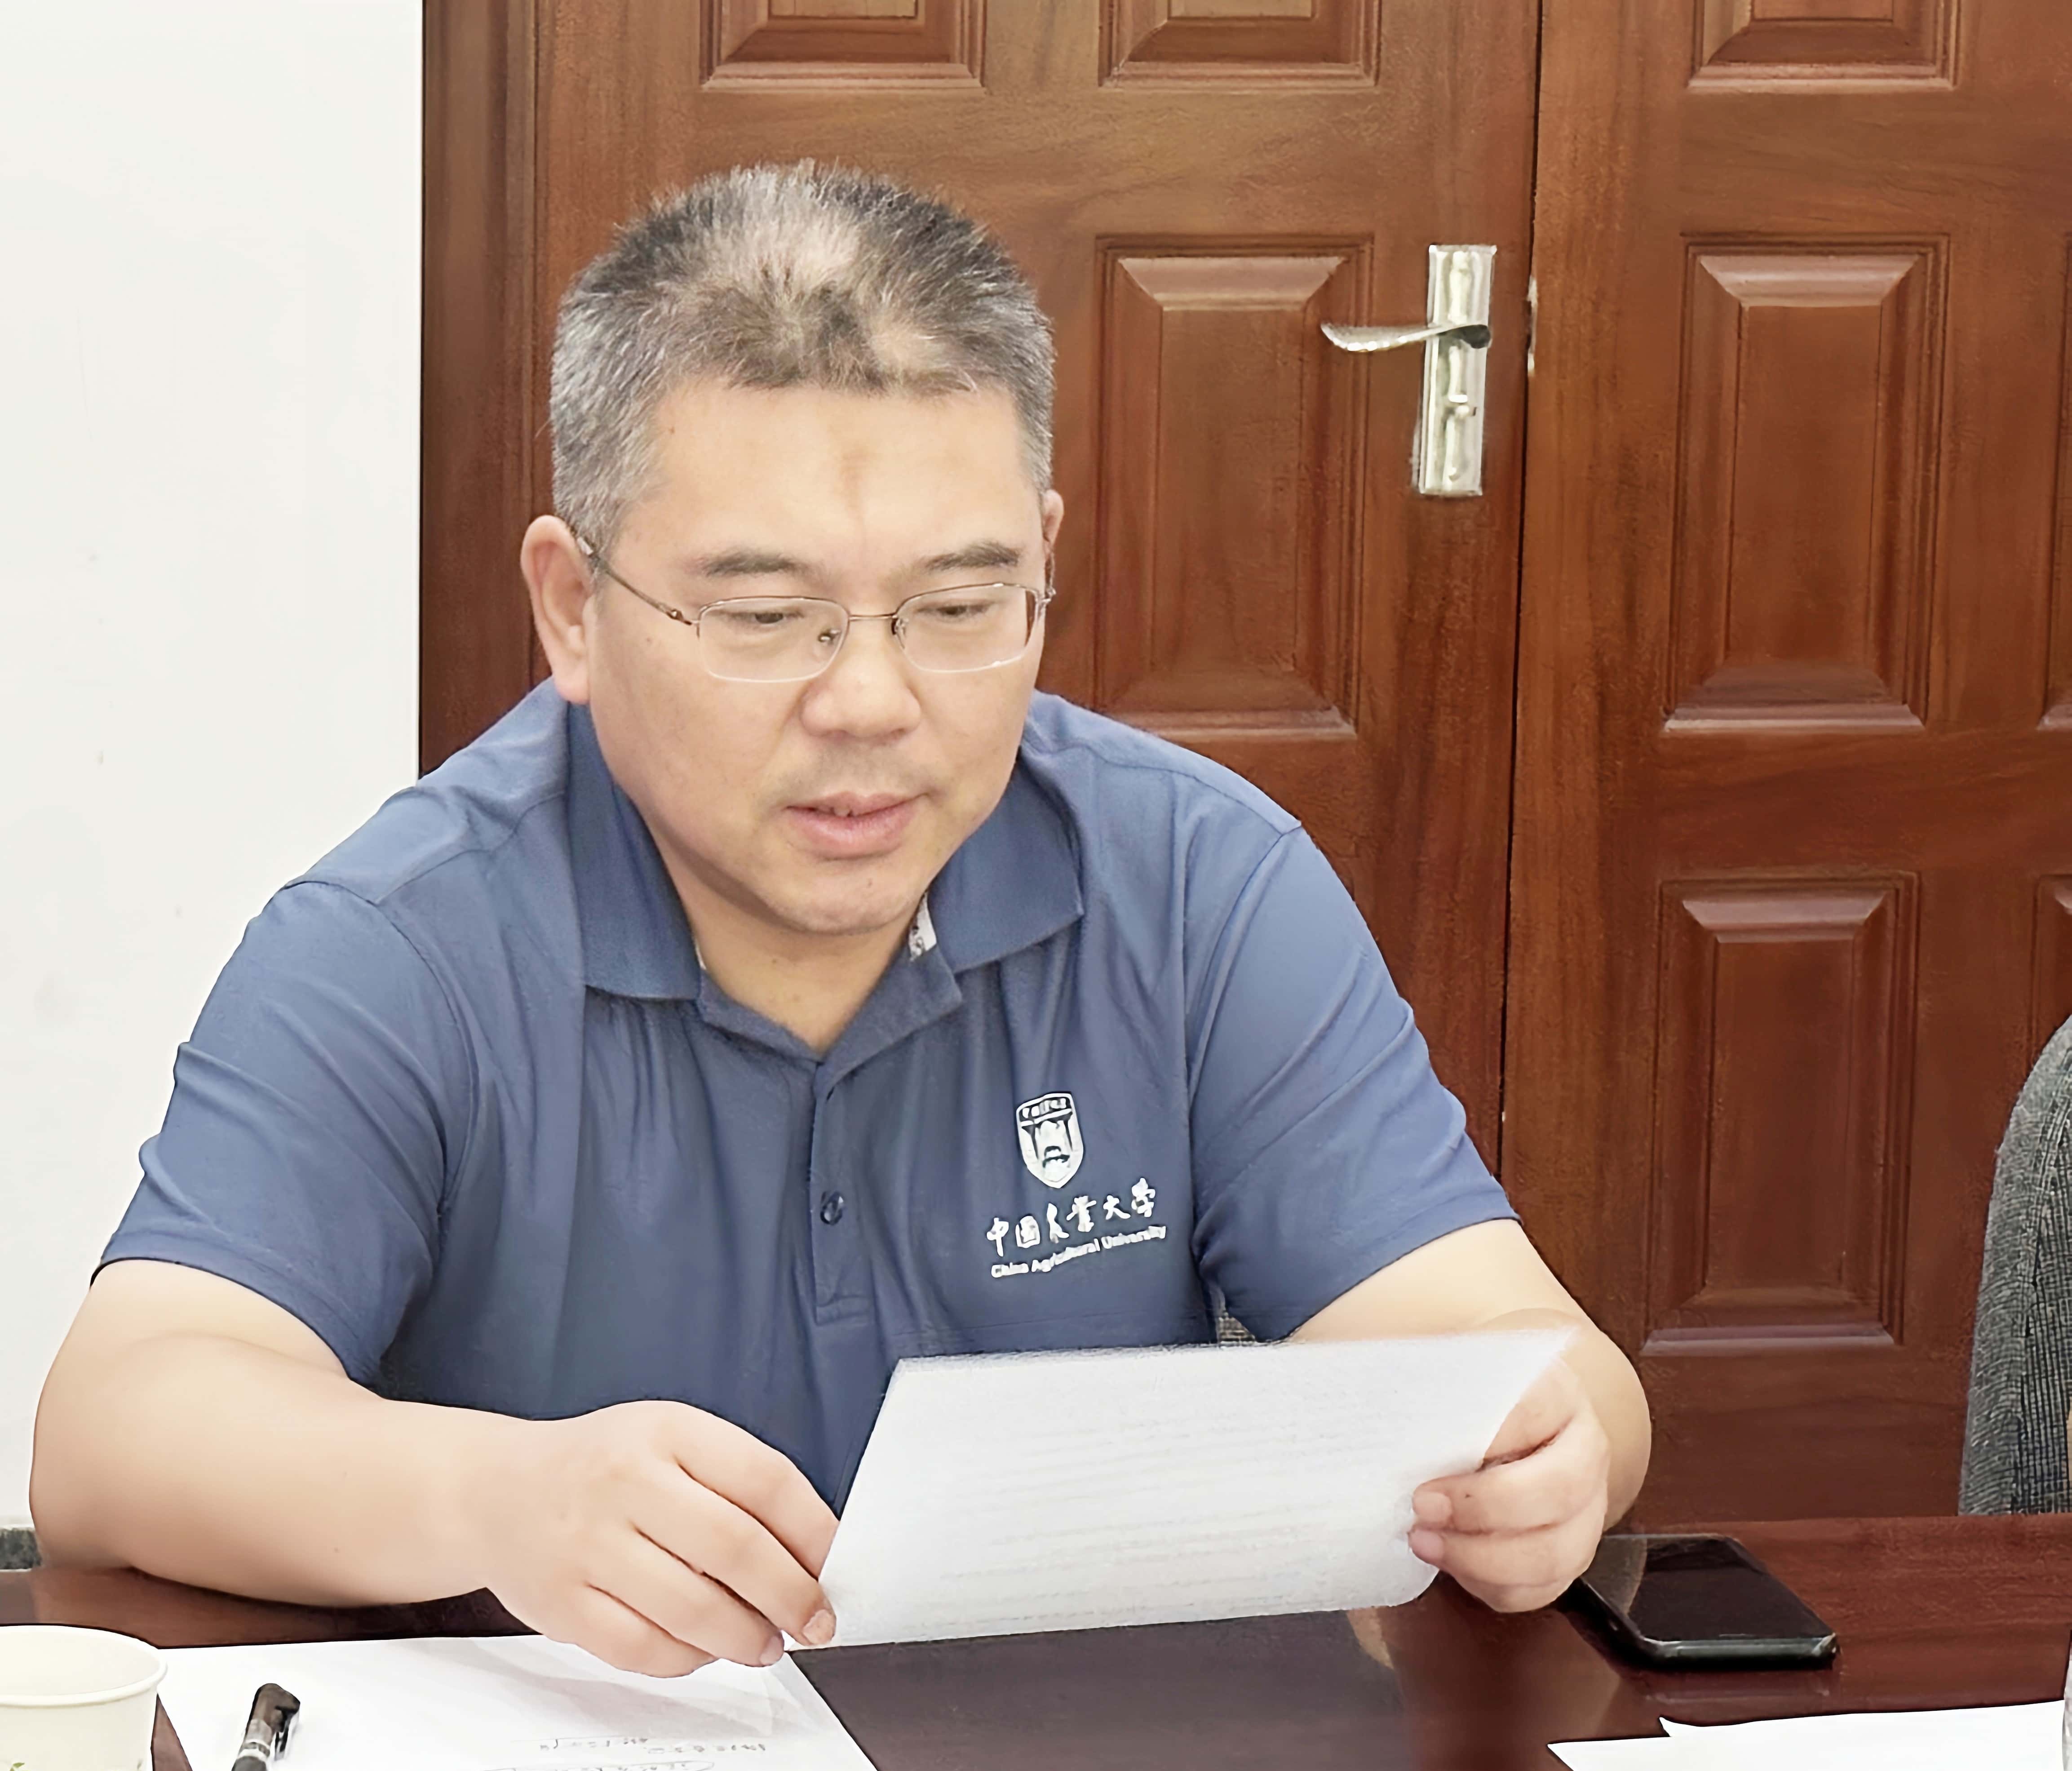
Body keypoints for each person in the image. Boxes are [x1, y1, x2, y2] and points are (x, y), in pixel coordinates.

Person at [30, 163, 1648, 1676]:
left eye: (957, 607)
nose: (871, 700)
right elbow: (119, 1430)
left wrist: (1546, 1454)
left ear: (1043, 564)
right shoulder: (401, 943)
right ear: (573, 608)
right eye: (765, 616)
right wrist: (495, 1496)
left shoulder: (1195, 885)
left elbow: (1510, 1348)